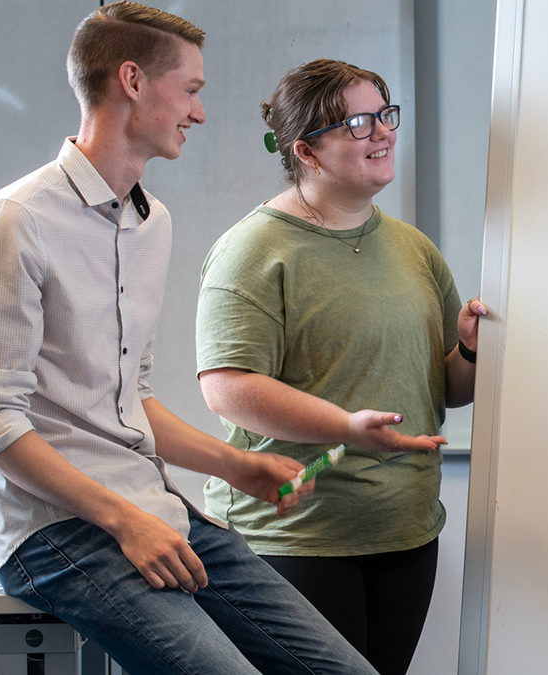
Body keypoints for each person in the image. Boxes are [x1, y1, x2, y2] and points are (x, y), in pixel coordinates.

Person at [0, 4, 375, 673]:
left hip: (152, 505)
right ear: (132, 81)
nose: (199, 113)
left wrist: (234, 466)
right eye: (192, 90)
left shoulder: (152, 223)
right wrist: (123, 519)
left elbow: (129, 399)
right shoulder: (16, 222)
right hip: (57, 531)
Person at [195, 58, 484, 674]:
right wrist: (347, 426)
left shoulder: (413, 247)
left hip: (404, 527)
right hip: (296, 534)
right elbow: (228, 387)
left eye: (385, 115)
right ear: (306, 151)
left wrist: (469, 350)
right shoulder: (253, 249)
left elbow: (449, 389)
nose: (382, 132)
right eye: (358, 122)